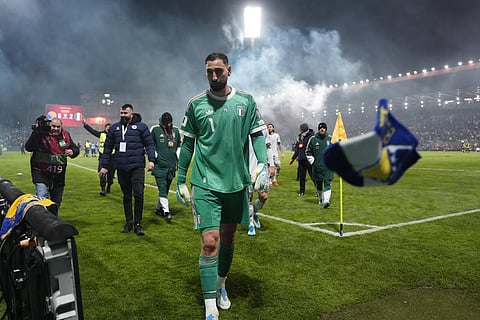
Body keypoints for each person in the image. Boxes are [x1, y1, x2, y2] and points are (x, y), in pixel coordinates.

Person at [176, 52, 268, 320]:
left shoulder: (246, 101)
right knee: (210, 241)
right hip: (205, 184)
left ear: (229, 70)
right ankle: (209, 307)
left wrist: (262, 163)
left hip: (237, 183)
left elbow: (257, 135)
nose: (214, 76)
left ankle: (220, 285)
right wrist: (181, 179)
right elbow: (188, 144)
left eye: (219, 71)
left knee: (228, 238)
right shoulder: (195, 104)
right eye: (209, 72)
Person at [99, 104, 156, 236]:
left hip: (137, 167)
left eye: (125, 113)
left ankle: (138, 223)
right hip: (121, 167)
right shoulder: (115, 128)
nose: (123, 115)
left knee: (139, 194)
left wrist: (152, 160)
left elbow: (149, 144)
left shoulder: (141, 127)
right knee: (126, 196)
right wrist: (105, 166)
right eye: (121, 113)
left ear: (132, 114)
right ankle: (128, 222)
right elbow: (107, 148)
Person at [25, 117, 79, 215]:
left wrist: (73, 151)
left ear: (61, 127)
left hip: (58, 176)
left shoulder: (65, 135)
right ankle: (42, 223)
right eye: (53, 126)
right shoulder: (41, 134)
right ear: (49, 126)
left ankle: (54, 224)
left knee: (56, 202)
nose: (55, 129)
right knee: (42, 198)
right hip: (41, 173)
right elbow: (28, 147)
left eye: (58, 126)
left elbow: (75, 149)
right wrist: (36, 132)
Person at [150, 112, 182, 223]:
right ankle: (167, 212)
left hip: (171, 166)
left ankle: (159, 208)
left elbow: (178, 147)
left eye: (169, 123)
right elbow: (150, 146)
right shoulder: (155, 130)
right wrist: (152, 160)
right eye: (166, 123)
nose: (168, 125)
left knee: (166, 188)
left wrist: (179, 162)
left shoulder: (176, 131)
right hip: (160, 166)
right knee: (162, 188)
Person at [82, 120, 116, 196]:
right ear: (105, 128)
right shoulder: (101, 134)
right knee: (102, 173)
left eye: (110, 128)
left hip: (112, 156)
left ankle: (109, 186)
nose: (108, 129)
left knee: (111, 174)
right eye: (107, 128)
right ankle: (103, 189)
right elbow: (92, 131)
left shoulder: (115, 135)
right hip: (102, 156)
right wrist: (86, 125)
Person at [306, 122, 333, 208]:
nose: (322, 129)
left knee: (327, 183)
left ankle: (326, 201)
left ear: (326, 129)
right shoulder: (313, 139)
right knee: (319, 184)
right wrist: (313, 162)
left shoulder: (331, 139)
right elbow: (307, 152)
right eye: (320, 128)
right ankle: (321, 199)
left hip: (328, 167)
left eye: (324, 128)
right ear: (318, 129)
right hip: (317, 167)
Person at [289, 123, 315, 196]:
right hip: (301, 159)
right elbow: (297, 149)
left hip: (309, 159)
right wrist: (293, 158)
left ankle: (318, 190)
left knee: (313, 176)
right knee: (302, 177)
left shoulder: (312, 136)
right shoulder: (300, 136)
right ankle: (302, 191)